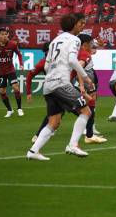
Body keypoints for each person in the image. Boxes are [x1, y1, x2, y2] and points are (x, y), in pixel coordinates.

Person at [26, 14, 93, 160]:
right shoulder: (74, 40)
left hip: (48, 84)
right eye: (80, 24)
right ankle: (73, 145)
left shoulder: (55, 41)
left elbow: (47, 64)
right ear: (74, 24)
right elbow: (72, 60)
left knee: (54, 121)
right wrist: (86, 78)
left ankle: (33, 151)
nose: (82, 26)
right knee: (86, 111)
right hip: (60, 82)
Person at [0, 28, 24, 118]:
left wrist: (21, 64)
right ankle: (9, 110)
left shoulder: (12, 44)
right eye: (2, 34)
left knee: (16, 88)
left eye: (6, 34)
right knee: (2, 91)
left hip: (10, 70)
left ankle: (19, 109)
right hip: (0, 72)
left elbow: (19, 54)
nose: (4, 36)